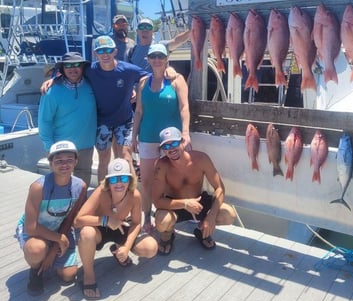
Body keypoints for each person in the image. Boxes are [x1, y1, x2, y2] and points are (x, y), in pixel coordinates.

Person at [41, 36, 149, 182]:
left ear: (115, 51)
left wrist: (136, 89)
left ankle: (131, 195)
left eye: (109, 50)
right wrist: (53, 79)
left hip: (123, 121)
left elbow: (148, 76)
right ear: (95, 54)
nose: (105, 54)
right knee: (104, 159)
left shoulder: (125, 70)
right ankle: (102, 195)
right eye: (101, 51)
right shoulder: (88, 71)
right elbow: (69, 71)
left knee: (125, 156)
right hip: (101, 122)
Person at [74, 158, 158, 300]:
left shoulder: (135, 195)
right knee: (86, 233)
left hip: (122, 225)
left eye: (124, 178)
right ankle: (88, 276)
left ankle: (118, 248)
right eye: (114, 180)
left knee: (150, 248)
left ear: (130, 180)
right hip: (100, 228)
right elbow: (78, 220)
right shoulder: (100, 192)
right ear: (107, 181)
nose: (119, 183)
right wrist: (105, 220)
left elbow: (137, 223)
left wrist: (126, 247)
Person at [131, 43, 191, 234]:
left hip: (171, 139)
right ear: (148, 59)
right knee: (147, 181)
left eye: (161, 56)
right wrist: (134, 136)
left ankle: (174, 216)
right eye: (153, 56)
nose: (157, 60)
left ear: (167, 59)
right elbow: (139, 111)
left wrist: (186, 133)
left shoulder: (176, 80)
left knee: (173, 178)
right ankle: (147, 216)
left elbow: (184, 107)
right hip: (147, 137)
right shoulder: (142, 83)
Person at [16, 141, 87, 296]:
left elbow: (70, 220)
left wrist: (55, 246)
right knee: (36, 250)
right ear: (50, 163)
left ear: (76, 161)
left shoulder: (80, 186)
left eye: (69, 159)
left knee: (69, 275)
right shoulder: (38, 187)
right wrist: (59, 239)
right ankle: (35, 270)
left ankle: (49, 256)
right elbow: (30, 227)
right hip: (35, 229)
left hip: (59, 230)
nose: (64, 164)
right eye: (59, 160)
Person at [152, 127, 236, 255]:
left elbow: (220, 188)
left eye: (174, 143)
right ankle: (167, 237)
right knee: (162, 222)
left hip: (199, 201)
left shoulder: (201, 159)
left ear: (182, 142)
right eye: (166, 147)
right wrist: (185, 203)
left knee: (229, 215)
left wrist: (211, 216)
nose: (171, 149)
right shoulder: (161, 166)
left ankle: (202, 231)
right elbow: (157, 201)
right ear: (162, 150)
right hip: (175, 204)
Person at [38, 52, 97, 186]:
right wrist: (49, 148)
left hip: (86, 147)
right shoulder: (51, 91)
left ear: (82, 67)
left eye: (76, 64)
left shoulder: (92, 85)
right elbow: (44, 121)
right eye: (68, 65)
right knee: (60, 186)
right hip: (60, 148)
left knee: (82, 187)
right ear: (62, 69)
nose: (72, 68)